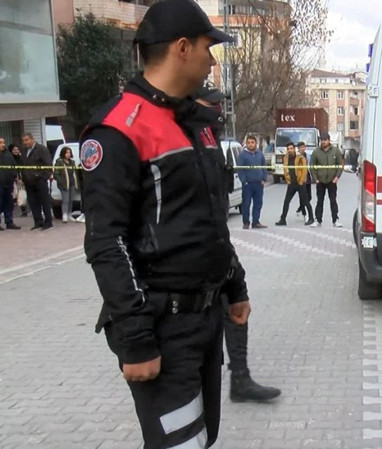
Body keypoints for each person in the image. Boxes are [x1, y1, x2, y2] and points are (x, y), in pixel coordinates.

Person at [80, 1, 252, 447]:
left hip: (206, 319)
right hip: (160, 327)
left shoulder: (197, 123)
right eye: (206, 48)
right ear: (181, 48)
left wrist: (235, 287)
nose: (211, 60)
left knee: (200, 438)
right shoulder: (117, 129)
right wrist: (136, 340)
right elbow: (104, 241)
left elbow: (211, 218)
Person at [193, 84, 282, 403]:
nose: (217, 110)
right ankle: (207, 385)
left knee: (236, 305)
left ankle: (240, 379)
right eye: (211, 103)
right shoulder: (187, 136)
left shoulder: (209, 138)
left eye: (219, 105)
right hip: (191, 252)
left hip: (217, 243)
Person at [275, 142, 315, 226]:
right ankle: (283, 219)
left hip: (300, 183)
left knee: (306, 201)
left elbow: (304, 170)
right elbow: (285, 169)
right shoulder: (285, 158)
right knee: (286, 201)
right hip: (291, 183)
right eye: (288, 149)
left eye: (291, 148)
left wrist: (301, 181)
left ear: (294, 149)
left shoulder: (300, 158)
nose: (290, 150)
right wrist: (287, 180)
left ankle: (311, 218)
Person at [309, 132, 344, 227]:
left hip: (332, 180)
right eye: (322, 140)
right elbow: (311, 166)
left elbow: (340, 165)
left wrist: (337, 177)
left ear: (329, 140)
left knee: (333, 201)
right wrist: (315, 179)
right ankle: (318, 220)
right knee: (319, 201)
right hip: (320, 181)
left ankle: (335, 220)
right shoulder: (316, 152)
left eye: (325, 140)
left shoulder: (336, 151)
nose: (323, 142)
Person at [20, 133, 53, 230]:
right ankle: (38, 221)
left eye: (27, 140)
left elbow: (48, 165)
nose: (25, 142)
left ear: (32, 139)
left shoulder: (42, 149)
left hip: (39, 180)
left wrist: (42, 177)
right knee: (33, 202)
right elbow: (23, 165)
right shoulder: (24, 151)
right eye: (23, 141)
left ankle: (48, 222)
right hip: (28, 181)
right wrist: (23, 177)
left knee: (44, 201)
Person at [237, 135, 267, 229]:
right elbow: (240, 169)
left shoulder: (260, 154)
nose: (250, 144)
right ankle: (246, 222)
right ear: (246, 144)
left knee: (258, 204)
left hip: (258, 183)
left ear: (255, 143)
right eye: (248, 143)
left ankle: (256, 222)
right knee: (246, 204)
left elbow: (264, 166)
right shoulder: (242, 155)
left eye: (252, 142)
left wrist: (264, 179)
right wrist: (244, 181)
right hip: (248, 184)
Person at [54, 145, 80, 223]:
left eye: (69, 152)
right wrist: (61, 182)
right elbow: (56, 174)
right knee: (65, 200)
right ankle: (64, 215)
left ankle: (69, 214)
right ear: (63, 153)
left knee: (71, 200)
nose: (68, 154)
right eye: (66, 152)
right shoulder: (59, 162)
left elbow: (75, 173)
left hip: (72, 184)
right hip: (64, 184)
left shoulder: (72, 162)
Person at [0, 137, 21, 230]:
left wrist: (14, 176)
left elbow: (14, 165)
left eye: (3, 142)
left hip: (9, 183)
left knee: (9, 203)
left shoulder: (8, 153)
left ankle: (9, 221)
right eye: (0, 143)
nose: (3, 144)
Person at [295, 141, 313, 219]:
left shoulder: (308, 156)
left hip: (307, 178)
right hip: (300, 179)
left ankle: (300, 207)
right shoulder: (297, 157)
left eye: (303, 147)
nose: (302, 149)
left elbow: (310, 166)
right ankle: (304, 213)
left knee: (309, 197)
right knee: (302, 196)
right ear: (298, 149)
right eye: (300, 148)